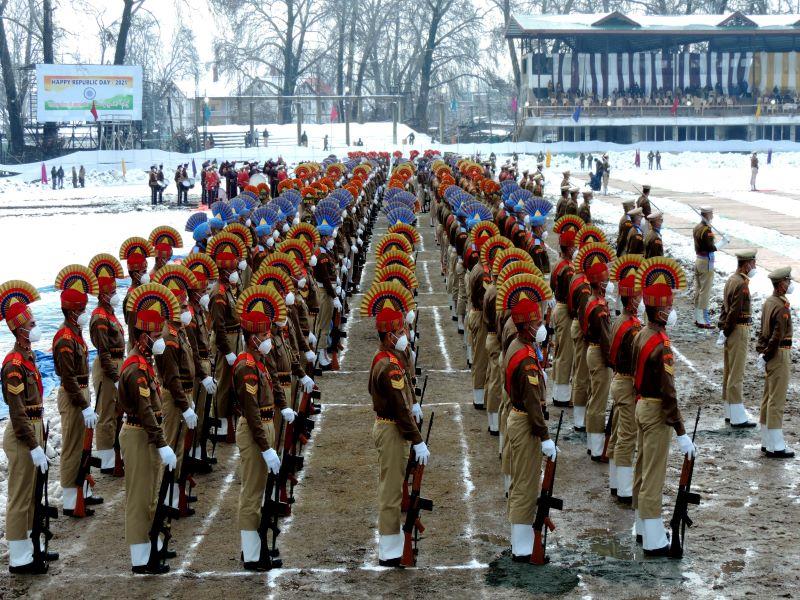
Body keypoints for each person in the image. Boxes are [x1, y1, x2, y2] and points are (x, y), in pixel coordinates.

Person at [632, 257, 694, 556]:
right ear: (659, 310)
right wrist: (681, 430)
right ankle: (655, 538)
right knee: (654, 475)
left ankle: (642, 528)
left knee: (642, 469)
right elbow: (669, 393)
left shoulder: (641, 334)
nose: (671, 311)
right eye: (668, 307)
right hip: (656, 410)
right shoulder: (662, 345)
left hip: (641, 405)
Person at [118, 282, 178, 574]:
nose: (160, 339)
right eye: (155, 334)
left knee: (150, 495)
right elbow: (144, 411)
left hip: (146, 434)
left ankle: (149, 548)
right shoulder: (136, 368)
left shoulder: (145, 361)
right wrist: (162, 442)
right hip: (139, 434)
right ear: (143, 336)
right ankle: (140, 558)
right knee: (140, 497)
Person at [0, 280, 59, 574]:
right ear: (20, 328)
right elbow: (17, 410)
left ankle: (32, 545)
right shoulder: (13, 363)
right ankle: (19, 557)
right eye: (32, 323)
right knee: (21, 496)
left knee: (33, 493)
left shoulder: (27, 356)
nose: (36, 327)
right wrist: (34, 445)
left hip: (33, 430)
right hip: (23, 434)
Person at [368, 307, 427, 567]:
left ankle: (392, 547)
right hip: (393, 430)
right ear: (389, 336)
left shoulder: (387, 358)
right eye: (399, 331)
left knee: (393, 488)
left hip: (392, 428)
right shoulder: (388, 366)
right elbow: (399, 408)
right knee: (391, 492)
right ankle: (390, 551)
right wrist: (418, 439)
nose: (404, 334)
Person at [503, 297, 557, 561]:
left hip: (518, 417)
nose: (541, 325)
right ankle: (523, 548)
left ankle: (520, 543)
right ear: (526, 326)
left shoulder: (517, 345)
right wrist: (545, 436)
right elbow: (534, 404)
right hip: (526, 422)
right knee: (526, 484)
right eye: (537, 322)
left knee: (520, 481)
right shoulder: (525, 358)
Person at [53, 265, 102, 517]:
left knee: (84, 444)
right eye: (82, 309)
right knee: (73, 447)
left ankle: (83, 491)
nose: (85, 313)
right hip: (74, 397)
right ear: (72, 312)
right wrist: (83, 406)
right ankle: (72, 501)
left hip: (81, 394)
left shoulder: (75, 332)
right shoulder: (64, 338)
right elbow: (68, 377)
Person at [606, 255, 644, 504]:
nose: (642, 300)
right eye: (639, 297)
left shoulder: (622, 320)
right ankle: (624, 489)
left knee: (620, 432)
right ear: (631, 300)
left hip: (619, 380)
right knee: (628, 435)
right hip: (627, 382)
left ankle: (615, 482)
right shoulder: (631, 327)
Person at [88, 254, 126, 474]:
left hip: (116, 364)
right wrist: (115, 376)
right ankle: (106, 461)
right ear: (102, 295)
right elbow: (103, 353)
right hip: (108, 367)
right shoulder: (99, 317)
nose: (115, 295)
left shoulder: (109, 313)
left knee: (116, 411)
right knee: (106, 414)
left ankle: (114, 457)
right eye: (111, 292)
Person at [577, 243, 615, 461]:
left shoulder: (591, 301)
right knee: (599, 401)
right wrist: (613, 362)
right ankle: (598, 447)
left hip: (591, 351)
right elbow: (605, 339)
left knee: (594, 398)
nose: (608, 283)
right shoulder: (599, 308)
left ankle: (593, 445)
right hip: (599, 353)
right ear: (599, 284)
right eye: (606, 280)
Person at [207, 232, 246, 443]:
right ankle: (221, 422)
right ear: (223, 270)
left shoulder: (229, 289)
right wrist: (228, 351)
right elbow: (218, 326)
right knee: (223, 382)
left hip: (235, 337)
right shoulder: (218, 293)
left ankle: (229, 417)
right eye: (231, 268)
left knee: (232, 381)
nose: (235, 272)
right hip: (225, 341)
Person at [756, 267, 794, 458]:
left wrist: (762, 353)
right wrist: (767, 354)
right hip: (779, 354)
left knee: (768, 398)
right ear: (781, 284)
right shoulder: (781, 307)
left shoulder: (769, 302)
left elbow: (763, 331)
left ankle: (766, 440)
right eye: (788, 281)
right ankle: (776, 445)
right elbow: (777, 335)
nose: (790, 284)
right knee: (776, 400)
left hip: (771, 354)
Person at [718, 250, 758, 428]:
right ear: (747, 264)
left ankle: (729, 411)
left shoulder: (732, 280)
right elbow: (734, 311)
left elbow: (724, 307)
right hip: (738, 330)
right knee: (737, 373)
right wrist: (726, 330)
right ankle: (737, 417)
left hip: (730, 330)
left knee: (729, 371)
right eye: (753, 263)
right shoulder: (742, 284)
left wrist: (722, 328)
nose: (754, 267)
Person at [550, 217, 581, 407]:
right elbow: (572, 296)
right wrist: (575, 312)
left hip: (558, 307)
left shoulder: (558, 264)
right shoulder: (568, 269)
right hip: (565, 311)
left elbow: (553, 285)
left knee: (560, 351)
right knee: (566, 354)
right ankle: (562, 396)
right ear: (569, 248)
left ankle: (558, 392)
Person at [693, 206, 725, 329]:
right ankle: (702, 320)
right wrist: (723, 242)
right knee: (704, 292)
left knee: (698, 290)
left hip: (699, 259)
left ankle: (697, 317)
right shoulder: (706, 230)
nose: (712, 215)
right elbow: (711, 247)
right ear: (707, 215)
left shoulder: (697, 227)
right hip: (706, 262)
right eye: (711, 213)